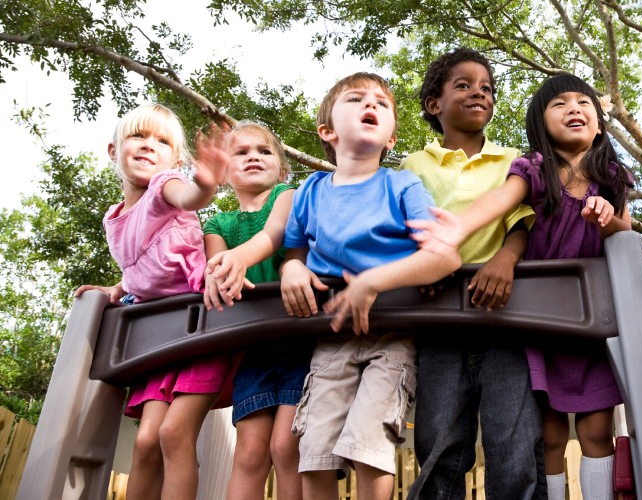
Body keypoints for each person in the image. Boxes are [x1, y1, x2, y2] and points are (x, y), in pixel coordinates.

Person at [207, 72, 461, 500]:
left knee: (368, 445)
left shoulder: (401, 185)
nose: (371, 106)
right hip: (329, 339)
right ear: (327, 131)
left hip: (392, 335)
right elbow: (290, 250)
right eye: (357, 99)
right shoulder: (309, 191)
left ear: (392, 137)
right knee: (314, 449)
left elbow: (445, 256)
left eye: (382, 104)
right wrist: (290, 270)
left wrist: (373, 280)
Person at [409, 73, 635, 500]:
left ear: (600, 124)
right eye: (560, 104)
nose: (574, 109)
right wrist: (456, 228)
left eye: (584, 103)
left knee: (597, 428)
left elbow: (622, 233)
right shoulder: (533, 169)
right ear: (539, 123)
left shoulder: (611, 175)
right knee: (547, 435)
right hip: (538, 323)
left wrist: (609, 216)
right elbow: (500, 201)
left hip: (589, 323)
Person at [399, 47, 545, 500]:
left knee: (513, 441)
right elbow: (404, 228)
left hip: (503, 316)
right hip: (438, 317)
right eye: (463, 85)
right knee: (438, 441)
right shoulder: (411, 166)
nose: (478, 92)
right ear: (433, 104)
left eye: (486, 87)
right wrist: (421, 262)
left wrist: (506, 259)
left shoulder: (511, 162)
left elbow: (522, 223)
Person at [74, 103, 235, 500]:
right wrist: (117, 289)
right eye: (138, 136)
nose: (149, 146)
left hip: (202, 327)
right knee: (146, 443)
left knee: (172, 435)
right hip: (160, 340)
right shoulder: (114, 218)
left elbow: (190, 196)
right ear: (114, 150)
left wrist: (207, 182)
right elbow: (145, 265)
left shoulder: (164, 187)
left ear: (175, 161)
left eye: (161, 141)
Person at [200, 122, 303, 500]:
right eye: (241, 152)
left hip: (301, 343)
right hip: (254, 352)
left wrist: (233, 263)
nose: (253, 157)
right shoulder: (218, 223)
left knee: (286, 446)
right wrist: (220, 275)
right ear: (225, 172)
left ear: (282, 167)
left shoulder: (287, 195)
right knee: (249, 453)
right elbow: (217, 268)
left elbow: (272, 237)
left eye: (264, 150)